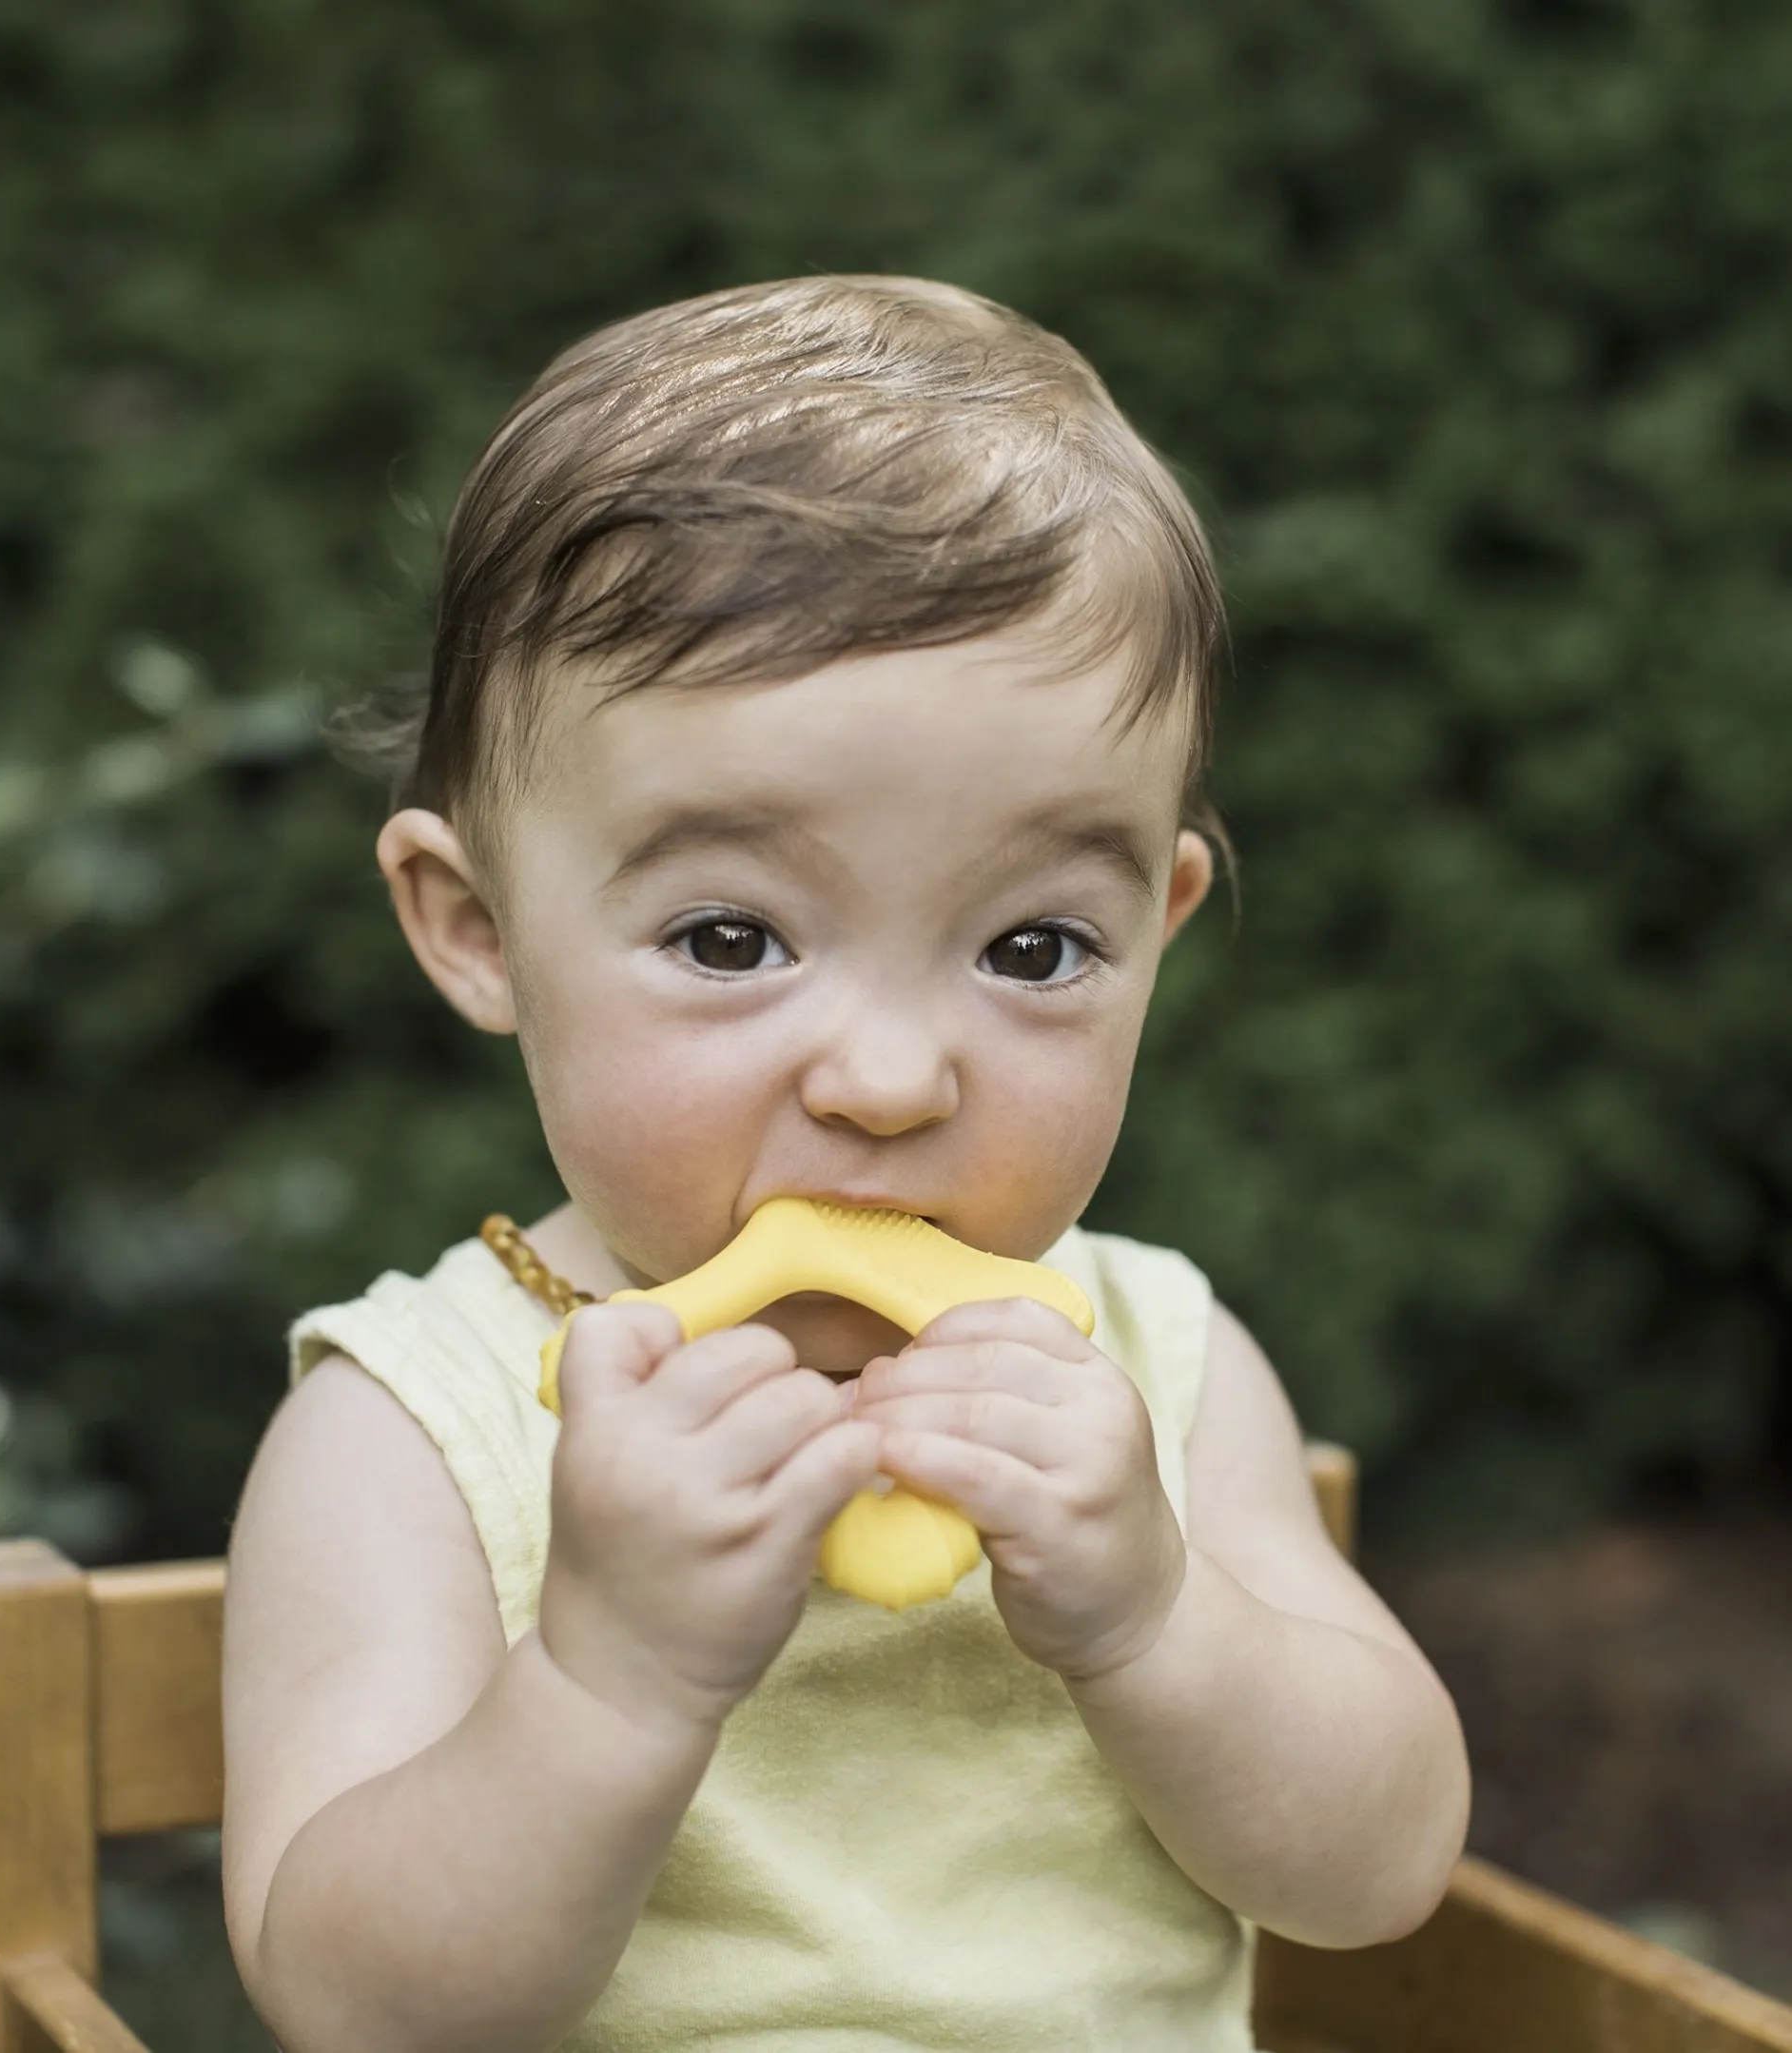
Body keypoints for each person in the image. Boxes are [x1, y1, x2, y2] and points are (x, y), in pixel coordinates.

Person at [220, 275, 1471, 2053]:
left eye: (1032, 948)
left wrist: (1150, 1618)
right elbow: (355, 2005)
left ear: (1159, 928)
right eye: (731, 937)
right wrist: (608, 1676)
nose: (890, 1077)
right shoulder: (417, 1429)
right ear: (478, 927)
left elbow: (1380, 1865)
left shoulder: (1156, 1367)